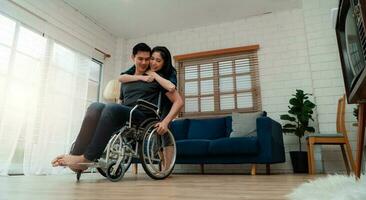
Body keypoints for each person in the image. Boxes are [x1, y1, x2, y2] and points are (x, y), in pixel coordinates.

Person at [51, 43, 183, 172]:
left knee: (111, 108)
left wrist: (165, 121)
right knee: (95, 107)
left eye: (148, 59)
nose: (146, 62)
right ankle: (76, 155)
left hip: (143, 115)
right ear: (133, 58)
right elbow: (121, 98)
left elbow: (176, 97)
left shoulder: (158, 79)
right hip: (126, 113)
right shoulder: (127, 79)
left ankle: (88, 158)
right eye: (142, 59)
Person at [118, 46, 179, 170]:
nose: (153, 63)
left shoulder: (169, 73)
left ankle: (167, 168)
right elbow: (121, 77)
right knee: (156, 138)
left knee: (164, 132)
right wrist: (142, 77)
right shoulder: (140, 70)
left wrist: (154, 75)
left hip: (166, 104)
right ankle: (162, 165)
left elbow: (171, 88)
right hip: (152, 104)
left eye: (158, 60)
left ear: (164, 62)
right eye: (152, 59)